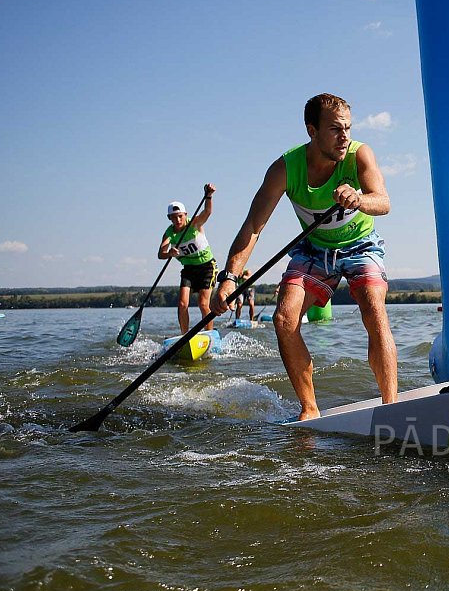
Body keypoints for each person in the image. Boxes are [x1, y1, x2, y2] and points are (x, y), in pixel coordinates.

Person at [212, 93, 397, 420]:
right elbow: (254, 227)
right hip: (314, 249)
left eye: (348, 129)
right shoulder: (285, 168)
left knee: (373, 306)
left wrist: (358, 198)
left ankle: (392, 406)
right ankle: (309, 410)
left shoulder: (359, 155)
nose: (344, 137)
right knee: (284, 319)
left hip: (361, 244)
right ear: (312, 130)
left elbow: (383, 201)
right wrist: (228, 279)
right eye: (335, 130)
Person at [159, 184, 218, 334]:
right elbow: (161, 253)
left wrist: (209, 195)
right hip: (189, 270)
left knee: (203, 304)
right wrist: (169, 253)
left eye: (180, 216)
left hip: (206, 267)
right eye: (174, 217)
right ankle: (184, 336)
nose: (178, 220)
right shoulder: (169, 233)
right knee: (182, 303)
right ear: (169, 218)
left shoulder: (194, 223)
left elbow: (208, 211)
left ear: (185, 215)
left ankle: (210, 334)